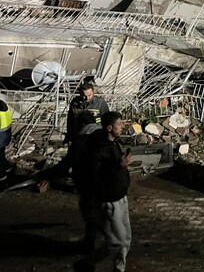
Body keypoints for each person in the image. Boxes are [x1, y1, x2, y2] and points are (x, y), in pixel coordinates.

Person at [73, 111, 133, 272]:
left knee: (126, 239)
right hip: (108, 201)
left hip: (121, 196)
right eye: (119, 124)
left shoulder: (114, 142)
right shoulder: (97, 150)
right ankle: (86, 263)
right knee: (116, 242)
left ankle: (119, 269)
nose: (122, 127)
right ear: (109, 128)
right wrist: (118, 166)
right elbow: (97, 176)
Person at [37, 110, 102, 252]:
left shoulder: (82, 140)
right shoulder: (103, 135)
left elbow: (65, 165)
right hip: (109, 183)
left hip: (89, 182)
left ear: (82, 124)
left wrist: (45, 175)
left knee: (90, 214)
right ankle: (109, 243)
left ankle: (90, 245)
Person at [0, 100, 13, 191]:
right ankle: (9, 171)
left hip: (0, 137)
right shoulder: (3, 104)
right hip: (5, 136)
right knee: (1, 156)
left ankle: (2, 182)